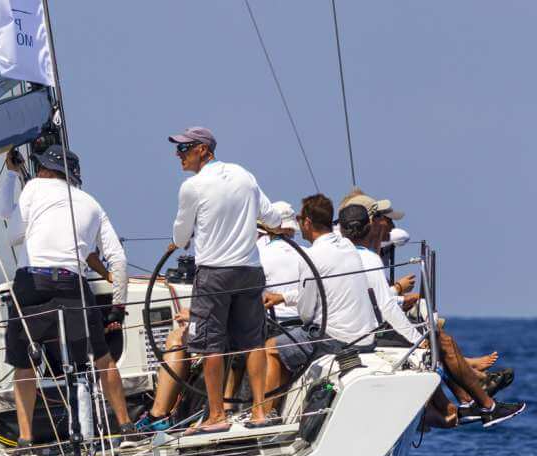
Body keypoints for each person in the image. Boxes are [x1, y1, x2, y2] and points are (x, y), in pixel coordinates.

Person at [337, 198, 525, 428]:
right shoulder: (367, 258)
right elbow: (385, 306)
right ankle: (487, 406)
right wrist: (416, 339)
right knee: (438, 341)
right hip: (363, 336)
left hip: (343, 333)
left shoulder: (330, 255)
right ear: (369, 225)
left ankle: (469, 402)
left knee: (437, 337)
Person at [0, 145, 138, 452]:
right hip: (73, 284)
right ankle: (126, 426)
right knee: (102, 358)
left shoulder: (34, 187)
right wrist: (118, 307)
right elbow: (119, 260)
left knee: (24, 364)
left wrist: (10, 176)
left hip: (32, 282)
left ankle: (25, 440)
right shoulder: (91, 203)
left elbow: (9, 230)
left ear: (46, 170)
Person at [163, 126, 287, 433]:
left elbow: (180, 236)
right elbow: (272, 219)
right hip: (249, 270)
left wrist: (181, 240)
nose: (178, 155)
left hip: (214, 274)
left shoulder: (192, 186)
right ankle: (260, 413)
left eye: (183, 149)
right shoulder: (245, 176)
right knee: (253, 342)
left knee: (211, 345)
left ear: (203, 150)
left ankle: (217, 415)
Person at [261, 194, 378, 413]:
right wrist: (284, 297)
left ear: (306, 222)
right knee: (289, 343)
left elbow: (306, 315)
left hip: (335, 340)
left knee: (271, 348)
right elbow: (328, 287)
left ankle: (264, 415)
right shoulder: (346, 246)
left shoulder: (311, 257)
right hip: (366, 337)